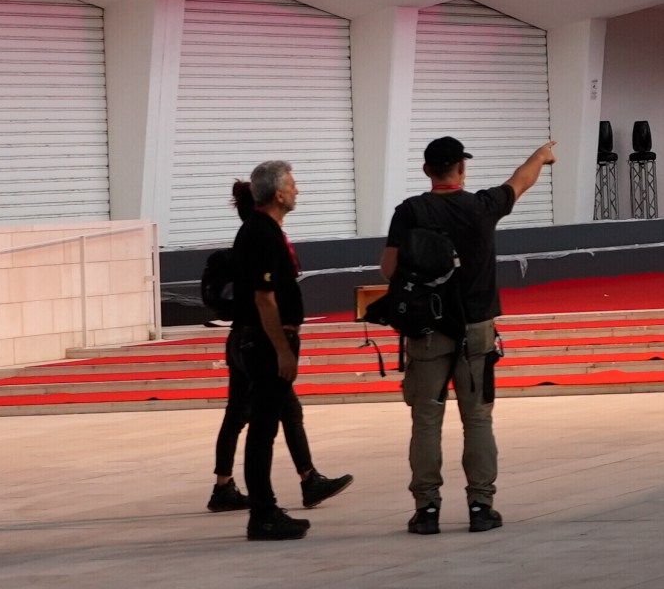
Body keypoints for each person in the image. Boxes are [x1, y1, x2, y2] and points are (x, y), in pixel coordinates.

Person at [381, 135, 554, 535]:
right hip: (476, 327)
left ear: (427, 170)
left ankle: (426, 510)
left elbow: (389, 269)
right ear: (462, 168)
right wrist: (540, 156)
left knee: (426, 419)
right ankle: (480, 505)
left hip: (427, 328)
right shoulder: (482, 207)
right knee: (477, 419)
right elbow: (520, 181)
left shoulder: (409, 212)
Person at [209, 172, 352, 515]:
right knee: (264, 425)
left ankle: (294, 483)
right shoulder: (262, 235)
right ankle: (265, 507)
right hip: (262, 341)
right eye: (291, 184)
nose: (297, 189)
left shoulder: (255, 232)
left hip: (245, 339)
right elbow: (265, 299)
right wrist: (283, 349)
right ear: (276, 194)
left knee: (263, 416)